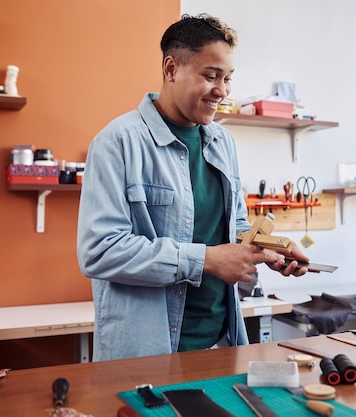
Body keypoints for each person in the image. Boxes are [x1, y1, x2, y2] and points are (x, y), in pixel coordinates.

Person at [77, 13, 310, 361]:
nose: (223, 91)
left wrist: (271, 248)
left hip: (221, 340)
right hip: (148, 350)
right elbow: (99, 251)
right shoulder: (117, 143)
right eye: (210, 76)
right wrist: (207, 259)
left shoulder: (223, 142)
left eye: (228, 78)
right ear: (171, 69)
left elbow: (235, 227)